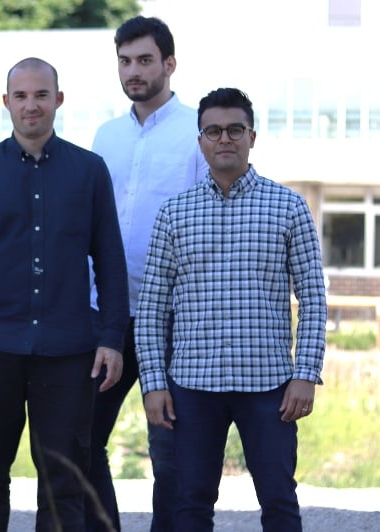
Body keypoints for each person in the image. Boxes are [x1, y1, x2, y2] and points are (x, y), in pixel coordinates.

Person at [0, 57, 130, 531]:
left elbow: (109, 260)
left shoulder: (89, 171)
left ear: (58, 100)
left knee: (64, 482)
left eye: (41, 95)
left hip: (68, 351)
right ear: (6, 104)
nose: (31, 105)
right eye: (20, 96)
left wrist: (111, 338)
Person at [135, 87, 328, 531]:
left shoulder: (288, 208)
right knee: (190, 504)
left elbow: (313, 298)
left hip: (270, 386)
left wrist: (306, 373)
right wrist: (153, 384)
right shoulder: (174, 213)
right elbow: (152, 309)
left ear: (252, 136)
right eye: (214, 130)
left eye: (235, 129)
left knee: (279, 500)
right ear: (200, 139)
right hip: (192, 385)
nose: (225, 138)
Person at [86, 16, 208, 532]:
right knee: (80, 436)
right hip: (106, 313)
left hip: (176, 317)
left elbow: (211, 220)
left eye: (144, 60)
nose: (132, 71)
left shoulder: (198, 131)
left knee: (172, 452)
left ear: (169, 64)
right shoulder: (105, 135)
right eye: (124, 60)